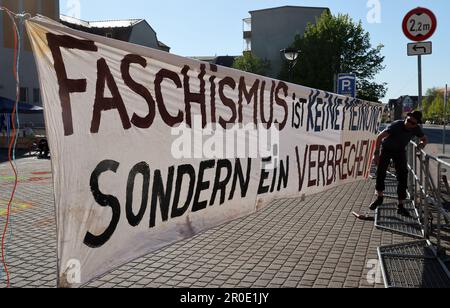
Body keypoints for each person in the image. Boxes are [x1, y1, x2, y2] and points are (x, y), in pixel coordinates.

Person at [369, 111, 428, 216]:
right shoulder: (396, 125)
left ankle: (400, 206)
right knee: (381, 172)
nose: (409, 123)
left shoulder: (416, 129)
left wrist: (421, 145)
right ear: (406, 117)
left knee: (403, 175)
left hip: (400, 151)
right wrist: (376, 154)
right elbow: (379, 137)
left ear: (416, 124)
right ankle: (379, 197)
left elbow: (424, 139)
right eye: (408, 120)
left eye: (413, 123)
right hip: (386, 149)